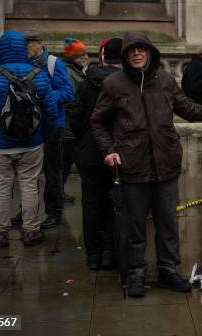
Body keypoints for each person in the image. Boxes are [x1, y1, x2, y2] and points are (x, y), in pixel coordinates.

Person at [90, 32, 202, 297]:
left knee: (168, 224)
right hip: (132, 167)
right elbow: (97, 122)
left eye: (142, 49)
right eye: (132, 50)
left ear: (151, 53)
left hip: (166, 165)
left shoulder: (165, 80)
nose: (137, 54)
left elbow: (187, 108)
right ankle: (136, 274)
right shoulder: (113, 84)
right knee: (135, 227)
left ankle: (168, 271)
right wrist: (109, 151)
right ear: (126, 55)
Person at [0, 31, 58, 247]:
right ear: (23, 48)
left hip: (0, 145)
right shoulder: (39, 73)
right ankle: (31, 231)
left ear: (2, 49)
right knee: (29, 185)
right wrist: (42, 135)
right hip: (32, 143)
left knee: (2, 187)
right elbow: (51, 111)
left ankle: (0, 233)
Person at [68, 38, 122, 271]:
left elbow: (75, 117)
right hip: (118, 151)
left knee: (91, 203)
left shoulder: (87, 82)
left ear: (102, 57)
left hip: (89, 151)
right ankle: (110, 253)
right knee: (115, 202)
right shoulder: (125, 83)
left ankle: (93, 255)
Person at [25, 32, 73, 230]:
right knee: (28, 171)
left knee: (53, 171)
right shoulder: (23, 62)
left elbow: (68, 92)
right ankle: (27, 210)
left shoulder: (53, 63)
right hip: (30, 124)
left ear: (38, 44)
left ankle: (54, 212)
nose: (26, 49)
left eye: (29, 44)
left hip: (53, 124)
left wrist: (46, 97)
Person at [61, 37, 89, 203]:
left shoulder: (75, 71)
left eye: (86, 54)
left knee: (65, 162)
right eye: (81, 55)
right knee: (73, 162)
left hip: (70, 127)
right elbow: (71, 101)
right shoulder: (68, 72)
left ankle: (58, 191)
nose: (86, 57)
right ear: (73, 57)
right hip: (70, 127)